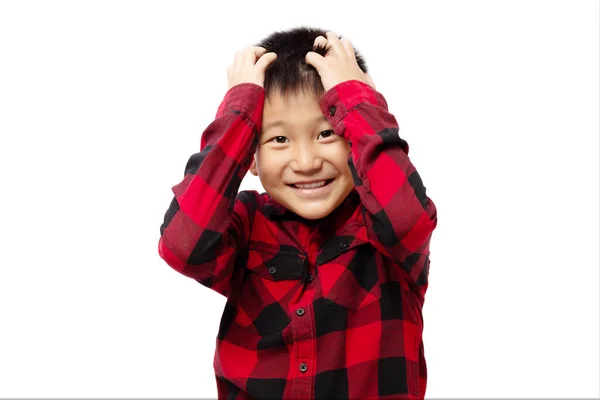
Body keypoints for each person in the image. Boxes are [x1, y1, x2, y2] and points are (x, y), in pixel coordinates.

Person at [158, 26, 438, 399]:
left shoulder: (383, 226)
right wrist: (240, 111)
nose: (305, 163)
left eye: (326, 134)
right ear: (251, 156)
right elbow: (182, 245)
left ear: (353, 136)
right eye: (278, 139)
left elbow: (408, 219)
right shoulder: (244, 222)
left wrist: (357, 98)